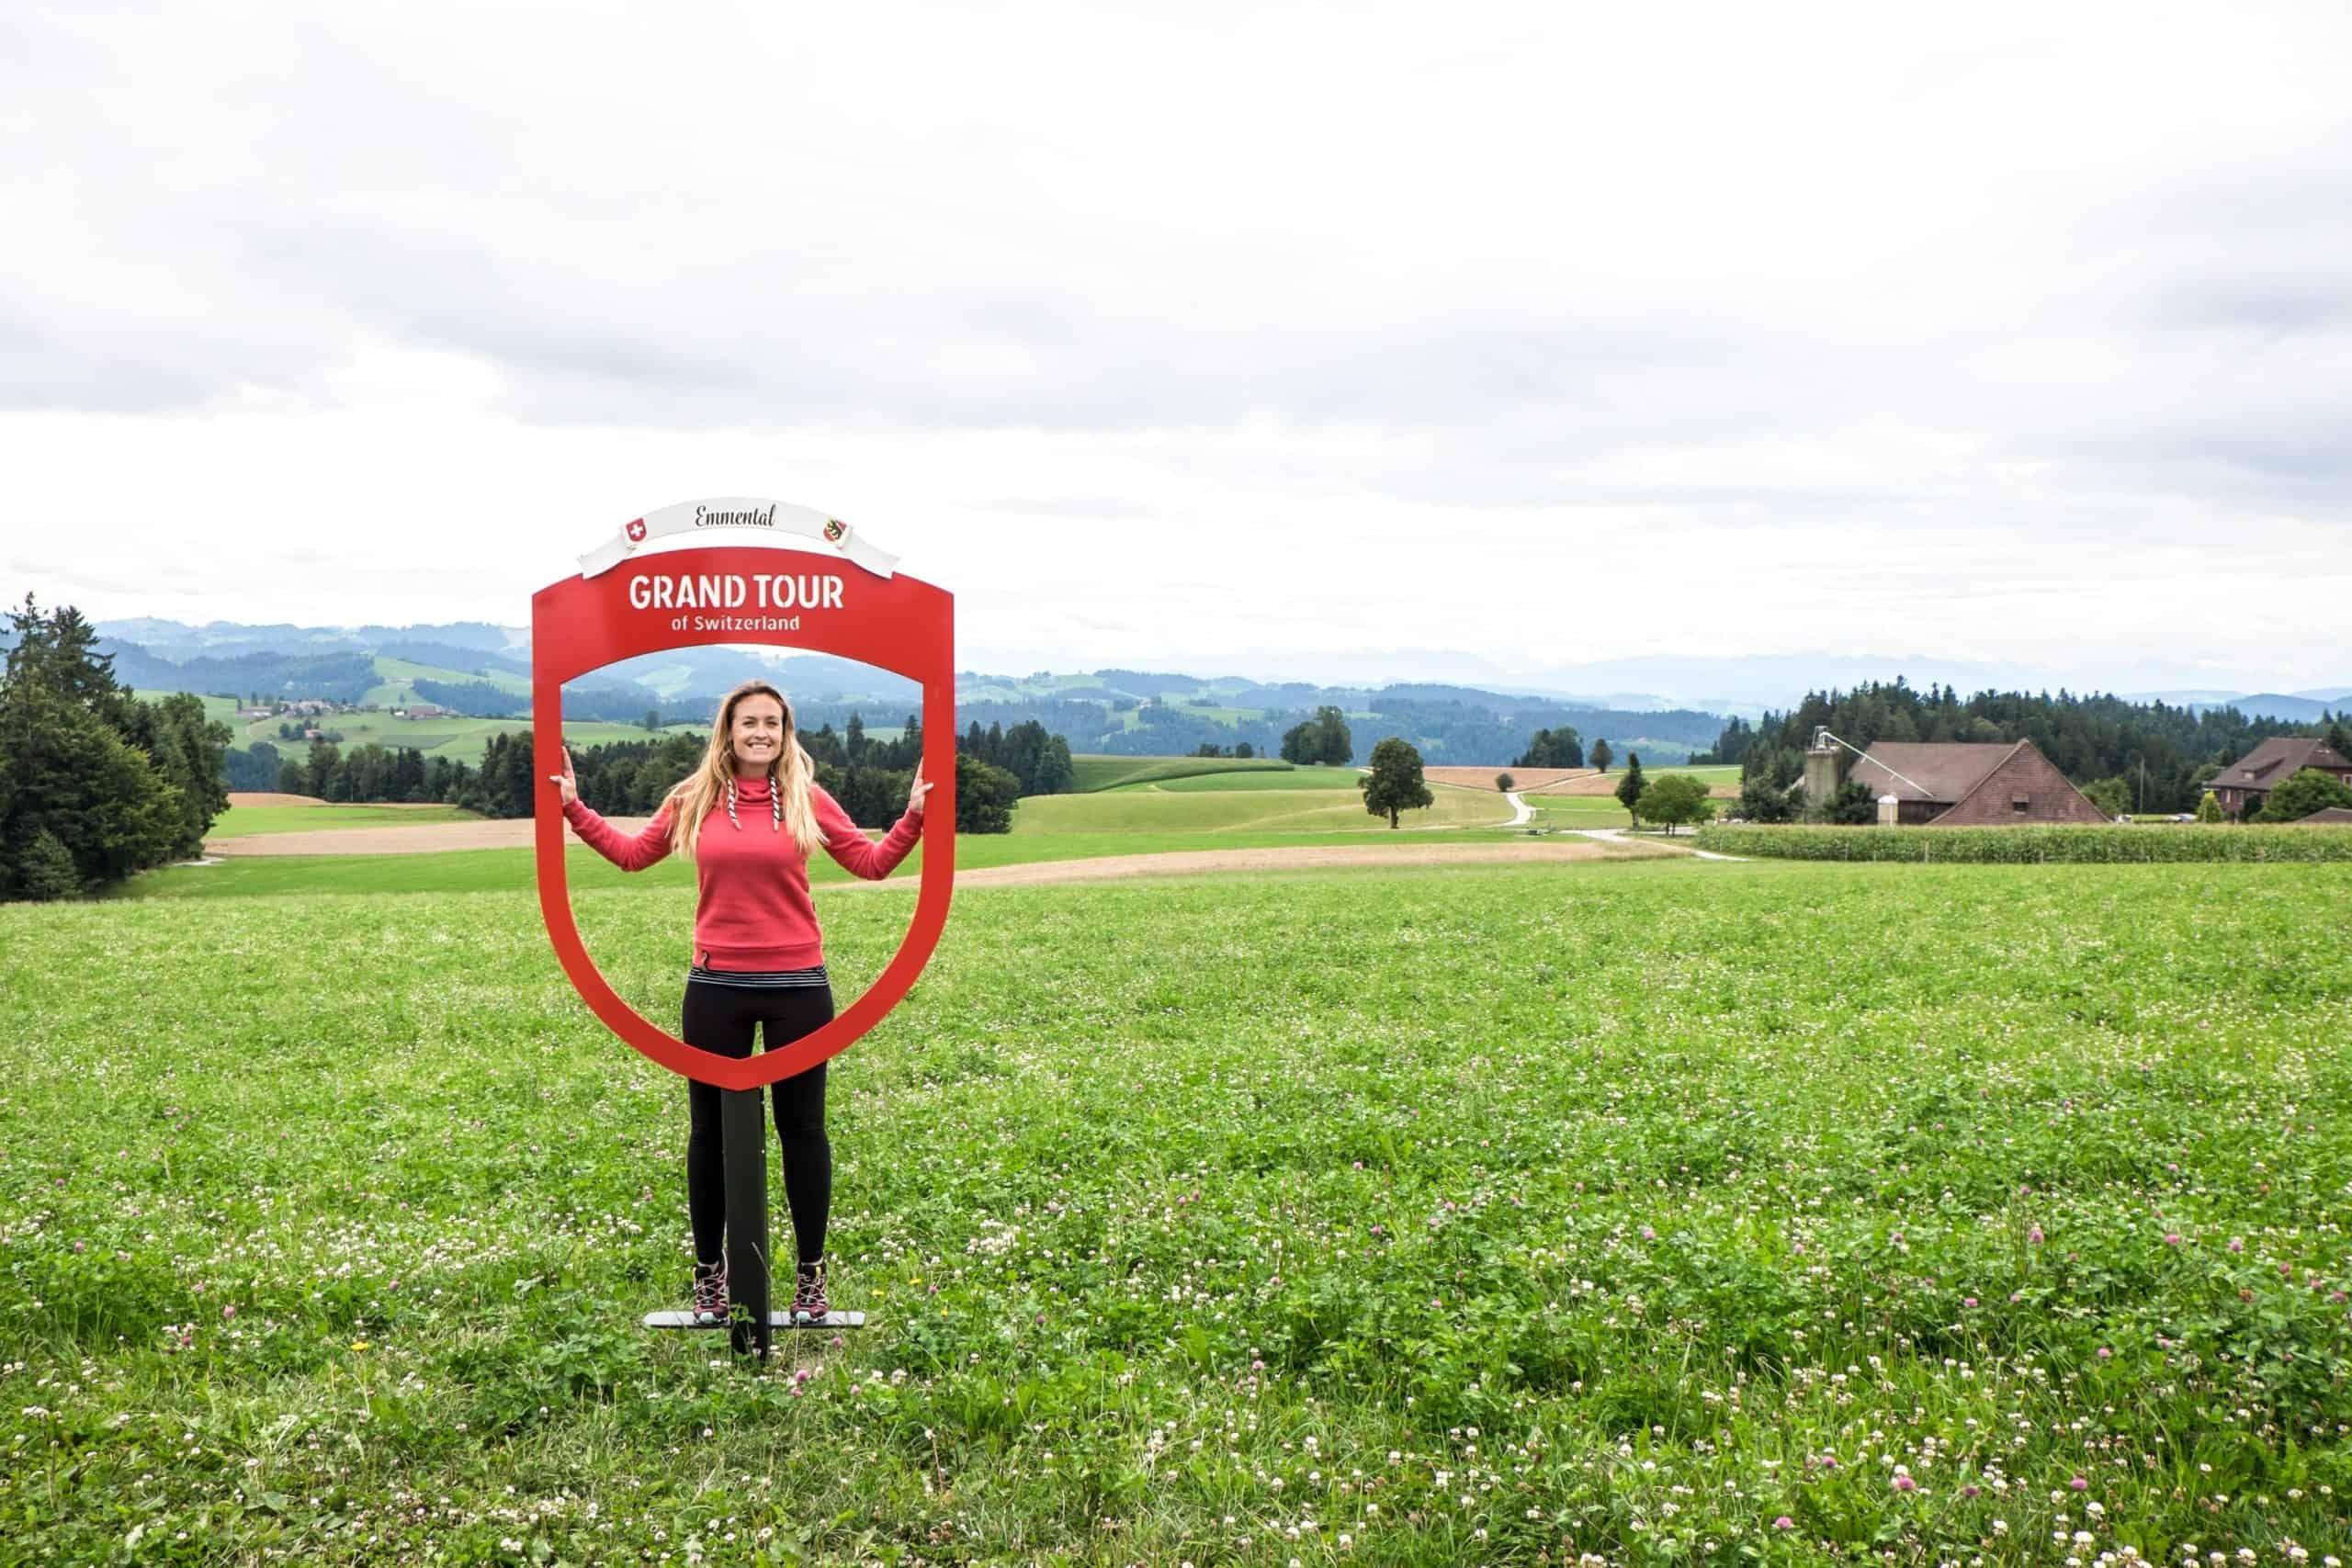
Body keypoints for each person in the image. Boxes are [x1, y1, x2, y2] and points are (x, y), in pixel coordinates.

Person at [550, 679, 930, 1325]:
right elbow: (633, 854)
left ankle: (811, 1280)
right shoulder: (694, 798)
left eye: (772, 723)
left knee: (803, 1132)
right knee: (712, 1137)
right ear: (727, 730)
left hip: (800, 988)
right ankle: (709, 1280)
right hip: (715, 987)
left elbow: (870, 863)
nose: (760, 731)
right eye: (748, 721)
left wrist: (916, 815)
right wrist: (573, 808)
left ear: (786, 733)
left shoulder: (807, 800)